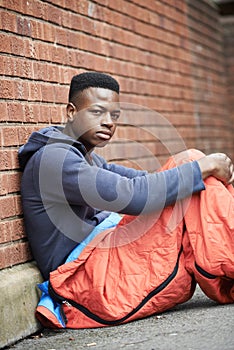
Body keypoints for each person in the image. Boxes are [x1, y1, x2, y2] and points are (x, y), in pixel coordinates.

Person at [19, 72, 234, 329]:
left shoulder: (86, 158)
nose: (109, 122)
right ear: (71, 112)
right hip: (84, 281)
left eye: (115, 115)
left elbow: (149, 180)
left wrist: (202, 169)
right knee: (191, 164)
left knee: (189, 173)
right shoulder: (55, 160)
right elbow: (133, 196)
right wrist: (203, 166)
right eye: (98, 112)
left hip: (102, 264)